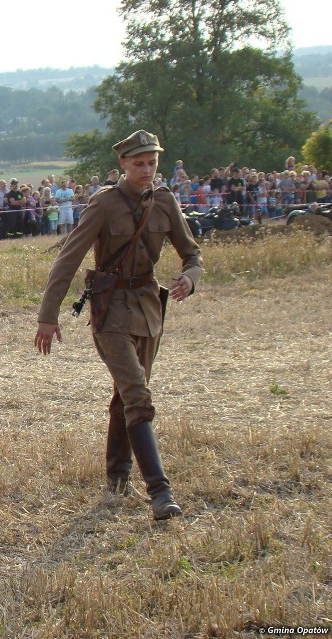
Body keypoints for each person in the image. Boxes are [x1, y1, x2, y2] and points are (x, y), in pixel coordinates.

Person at [34, 130, 204, 521]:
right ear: (123, 165)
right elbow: (68, 259)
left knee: (126, 396)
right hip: (110, 312)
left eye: (152, 163)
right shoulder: (104, 204)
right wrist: (47, 315)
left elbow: (192, 253)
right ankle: (160, 491)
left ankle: (117, 477)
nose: (147, 170)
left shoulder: (165, 202)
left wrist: (191, 278)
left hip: (149, 309)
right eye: (139, 163)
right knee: (137, 395)